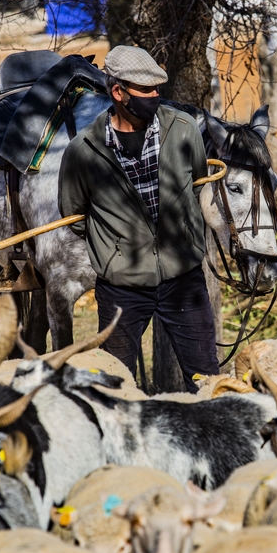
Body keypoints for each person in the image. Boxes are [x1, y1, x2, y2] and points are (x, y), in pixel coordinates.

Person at [58, 45, 219, 391]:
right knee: (114, 387)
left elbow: (196, 186)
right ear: (118, 92)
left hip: (183, 280)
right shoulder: (84, 150)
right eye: (145, 91)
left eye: (157, 89)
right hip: (121, 289)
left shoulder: (183, 129)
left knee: (207, 382)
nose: (155, 96)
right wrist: (116, 247)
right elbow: (73, 214)